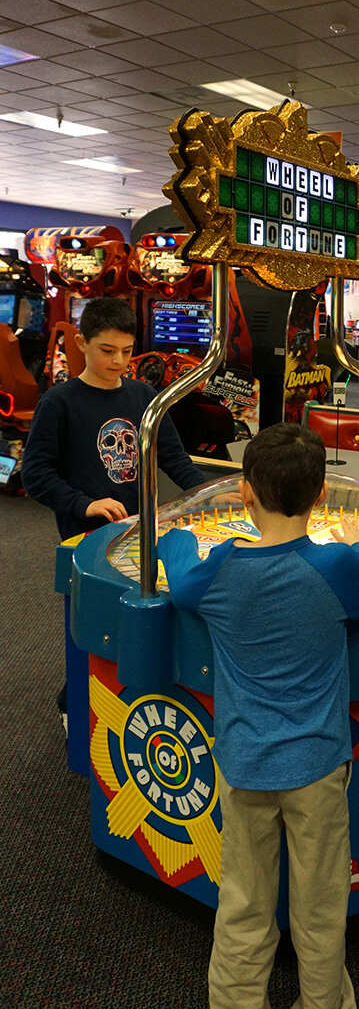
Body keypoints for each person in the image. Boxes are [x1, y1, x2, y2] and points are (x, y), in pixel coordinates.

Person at [158, 422, 359, 1009]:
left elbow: (177, 562)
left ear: (244, 492)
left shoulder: (218, 572)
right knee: (321, 912)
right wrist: (358, 544)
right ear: (320, 495)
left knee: (242, 905)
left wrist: (185, 538)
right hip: (319, 766)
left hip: (243, 764)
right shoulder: (338, 565)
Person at [22, 296, 207, 724]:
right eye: (108, 350)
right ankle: (74, 706)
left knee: (143, 618)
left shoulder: (145, 395)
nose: (119, 361)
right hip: (84, 538)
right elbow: (36, 475)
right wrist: (85, 503)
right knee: (89, 627)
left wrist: (210, 491)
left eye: (127, 351)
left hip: (140, 530)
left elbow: (174, 458)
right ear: (83, 344)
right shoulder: (59, 402)